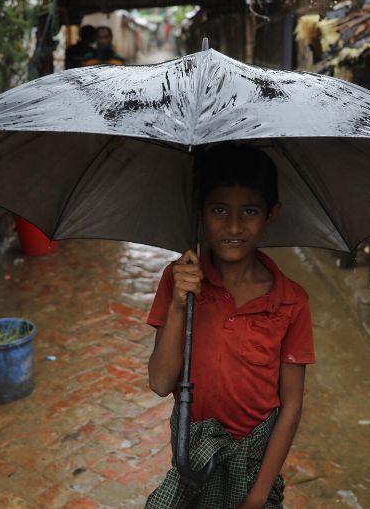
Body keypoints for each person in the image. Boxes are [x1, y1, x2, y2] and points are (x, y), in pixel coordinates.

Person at [145, 144, 315, 509]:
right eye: (219, 210)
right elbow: (160, 383)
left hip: (254, 470)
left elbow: (291, 407)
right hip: (194, 463)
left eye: (249, 211)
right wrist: (178, 304)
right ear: (200, 212)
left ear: (272, 214)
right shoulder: (178, 283)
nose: (234, 226)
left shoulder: (292, 302)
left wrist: (256, 497)